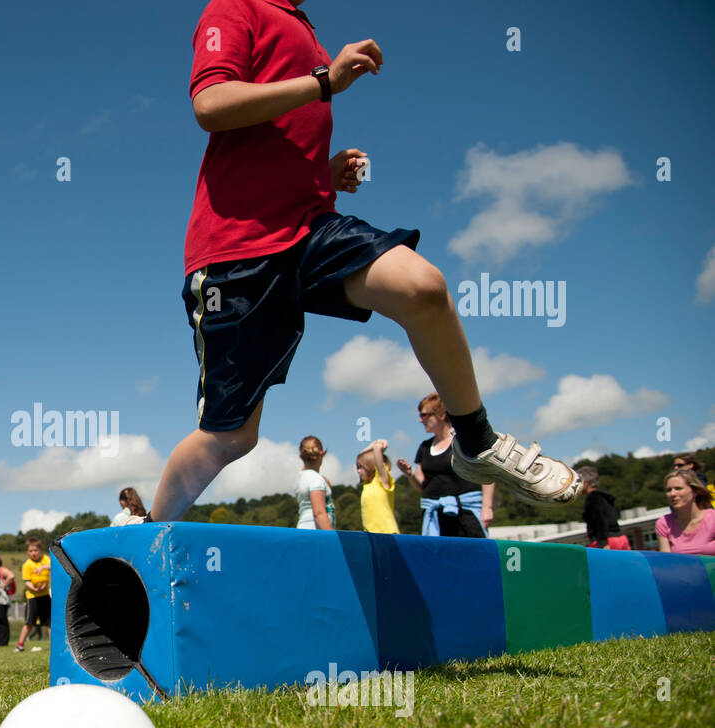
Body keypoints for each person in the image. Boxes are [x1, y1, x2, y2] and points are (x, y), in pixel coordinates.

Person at [141, 0, 581, 528]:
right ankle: (146, 545)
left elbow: (269, 148)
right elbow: (211, 102)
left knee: (422, 286)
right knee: (231, 436)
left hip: (309, 226)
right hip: (238, 251)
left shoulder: (305, 28)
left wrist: (321, 176)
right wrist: (323, 81)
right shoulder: (236, 6)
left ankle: (478, 441)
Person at [397, 393, 493, 537]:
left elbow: (486, 474)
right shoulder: (424, 447)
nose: (420, 420)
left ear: (441, 415)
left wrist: (487, 507)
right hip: (435, 517)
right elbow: (421, 486)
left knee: (473, 556)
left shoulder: (463, 442)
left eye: (424, 415)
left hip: (466, 514)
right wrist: (410, 474)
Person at [655, 469, 715, 555]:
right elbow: (667, 562)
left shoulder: (713, 518)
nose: (672, 494)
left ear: (695, 491)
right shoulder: (664, 523)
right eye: (668, 490)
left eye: (678, 488)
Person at [579, 467, 628, 550]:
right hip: (620, 538)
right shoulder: (605, 497)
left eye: (579, 482)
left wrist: (602, 542)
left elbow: (600, 519)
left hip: (606, 541)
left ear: (586, 483)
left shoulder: (592, 498)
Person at [357, 438, 398, 534]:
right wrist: (372, 445)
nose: (358, 471)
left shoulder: (382, 481)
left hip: (387, 533)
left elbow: (378, 463)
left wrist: (377, 447)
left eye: (361, 467)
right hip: (370, 534)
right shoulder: (367, 485)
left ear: (371, 466)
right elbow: (360, 456)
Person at [16, 538, 51, 652]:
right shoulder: (27, 565)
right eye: (31, 551)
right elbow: (27, 581)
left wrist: (43, 567)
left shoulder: (46, 559)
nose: (33, 553)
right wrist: (34, 588)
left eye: (35, 550)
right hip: (33, 597)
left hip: (45, 595)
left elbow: (54, 567)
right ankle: (20, 645)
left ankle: (54, 647)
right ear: (27, 552)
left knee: (50, 622)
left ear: (40, 550)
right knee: (30, 622)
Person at [295, 435, 335, 530]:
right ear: (322, 453)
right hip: (316, 533)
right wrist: (332, 539)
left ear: (301, 456)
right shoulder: (316, 479)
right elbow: (319, 513)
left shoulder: (302, 478)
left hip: (304, 530)